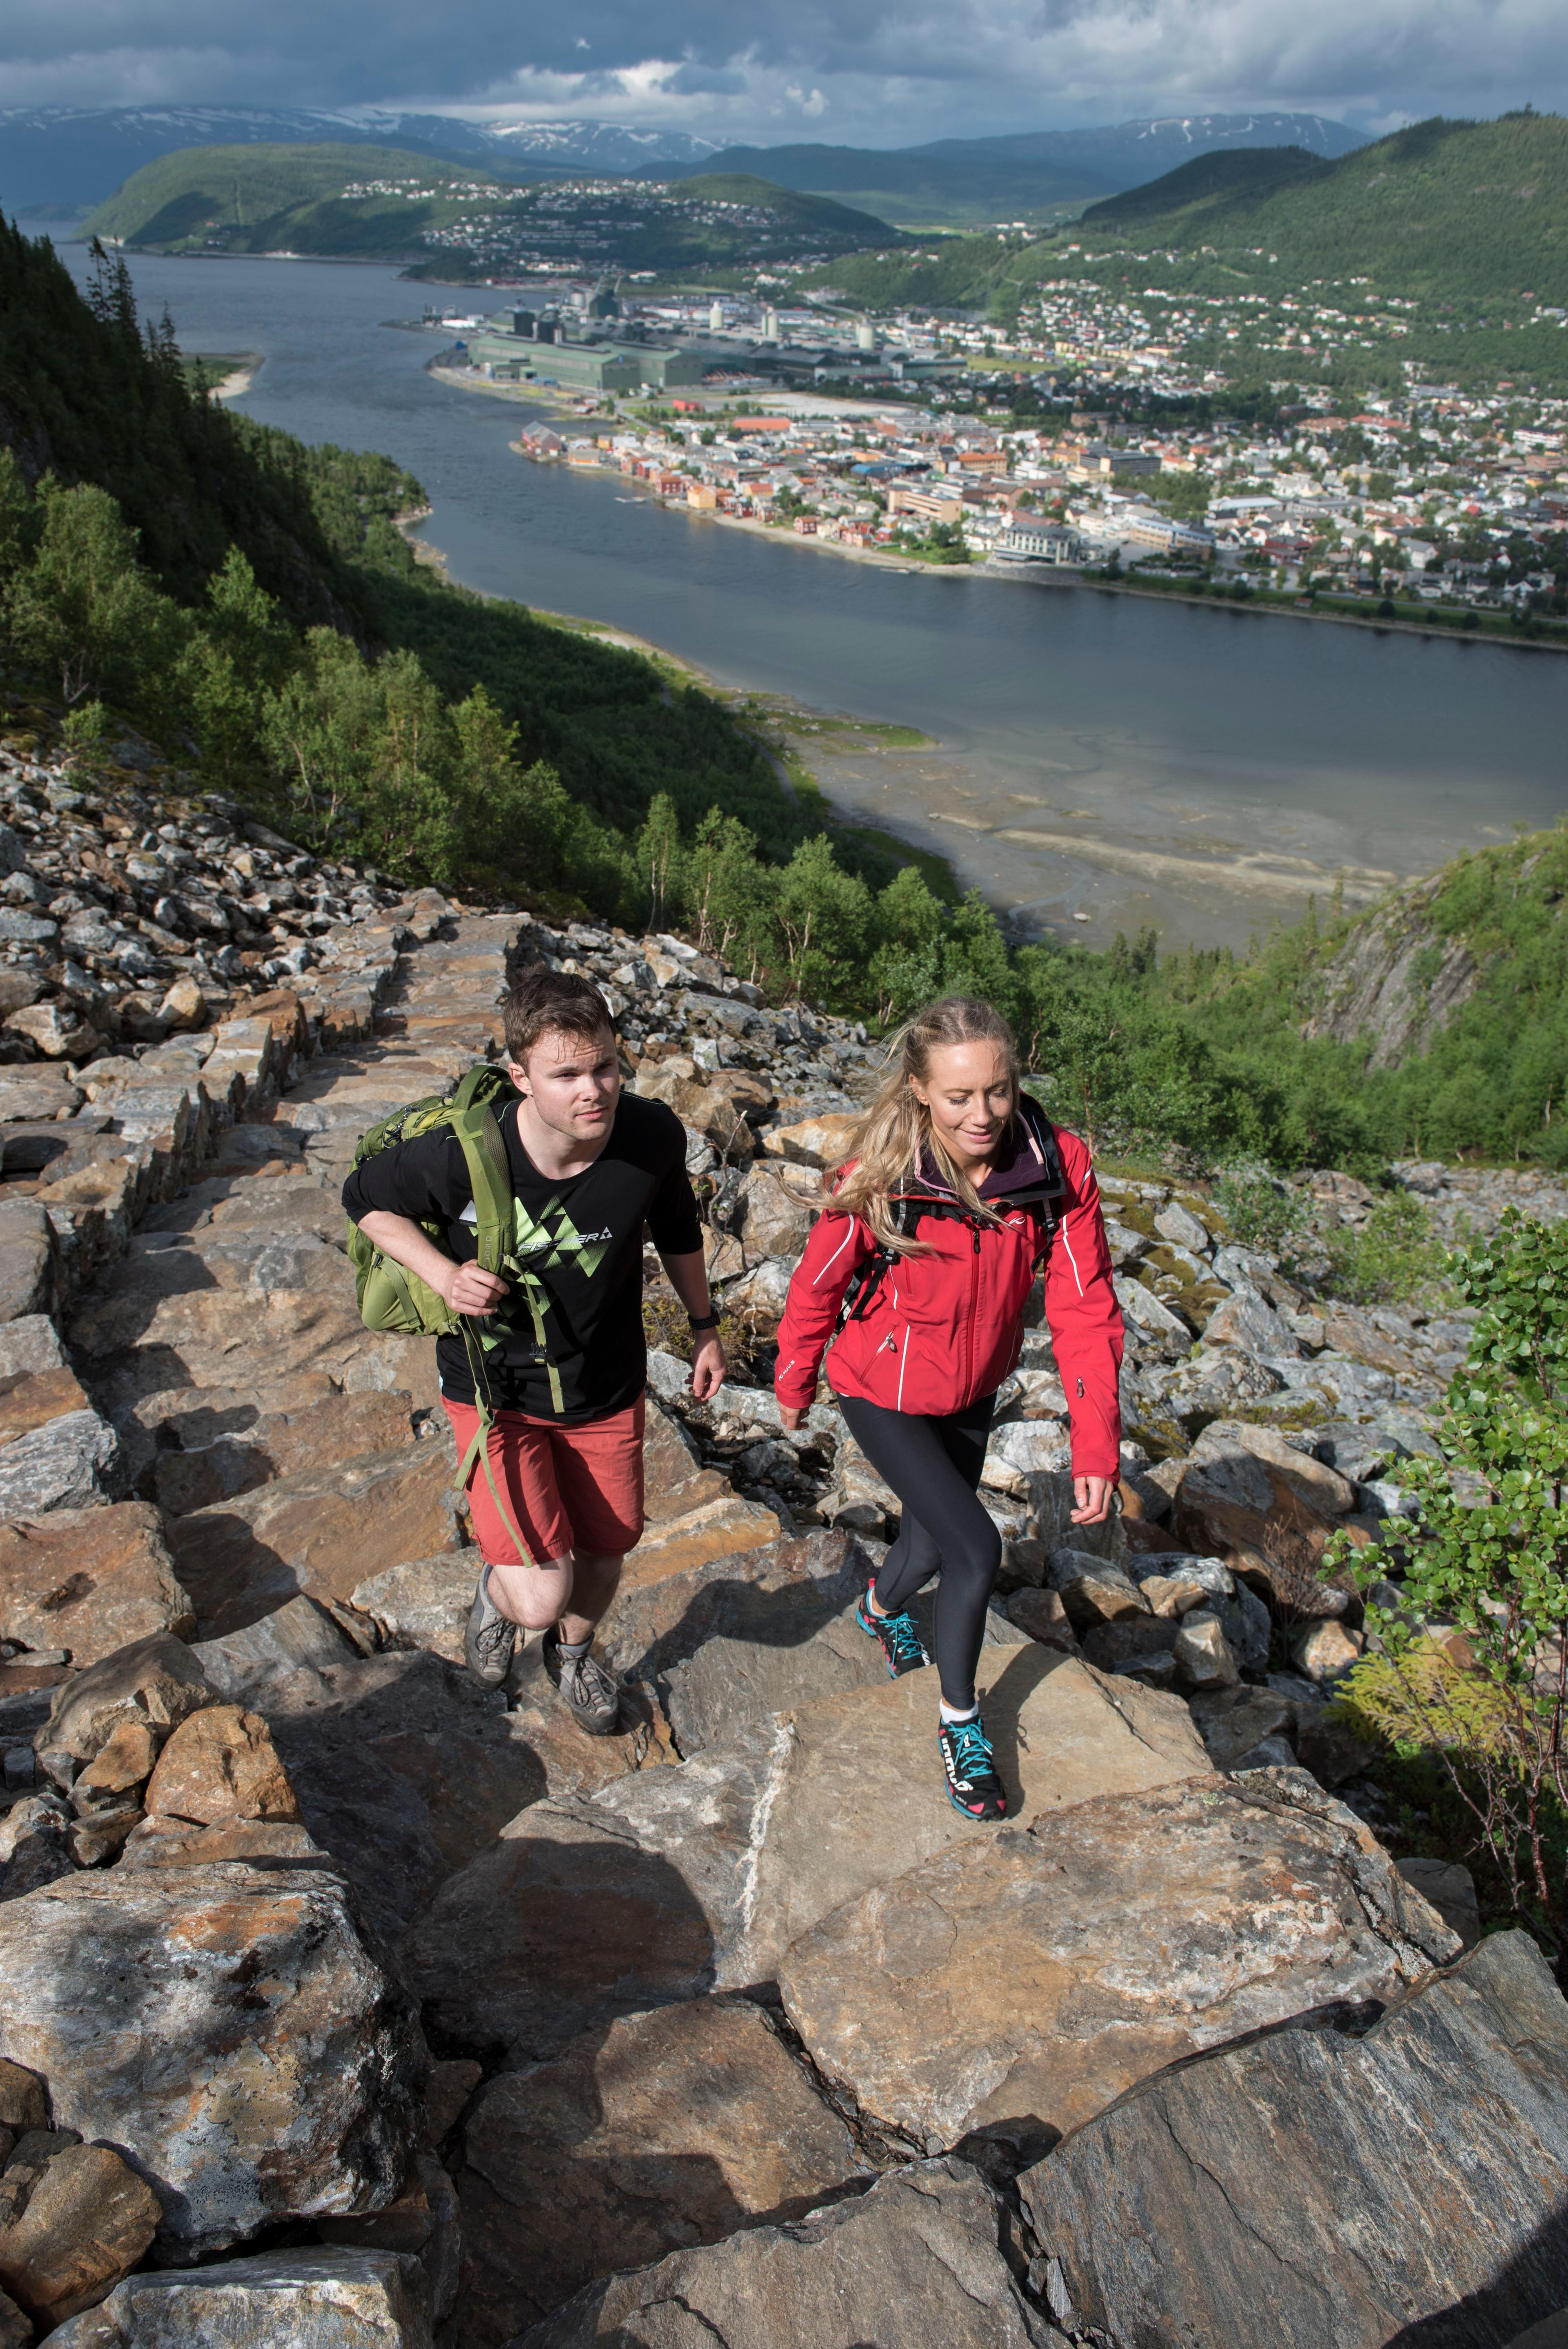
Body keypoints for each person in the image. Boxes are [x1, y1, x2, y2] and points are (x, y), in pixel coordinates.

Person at [343, 966, 724, 1731]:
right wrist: (445, 1275)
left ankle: (573, 1655)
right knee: (542, 1590)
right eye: (568, 1074)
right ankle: (500, 1592)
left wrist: (705, 1325)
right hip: (498, 1393)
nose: (596, 1090)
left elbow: (678, 1226)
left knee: (609, 1546)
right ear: (520, 1077)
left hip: (606, 1386)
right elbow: (364, 1199)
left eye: (607, 1066)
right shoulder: (462, 1155)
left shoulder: (651, 1136)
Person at [773, 995, 1122, 1820]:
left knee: (931, 1544)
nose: (983, 1115)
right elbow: (818, 1284)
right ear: (921, 1091)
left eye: (998, 1091)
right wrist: (793, 1379)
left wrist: (1096, 1445)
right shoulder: (882, 1177)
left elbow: (1086, 1309)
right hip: (879, 1388)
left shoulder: (1055, 1166)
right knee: (975, 1545)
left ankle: (880, 1608)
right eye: (959, 1097)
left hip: (972, 1388)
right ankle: (962, 1729)